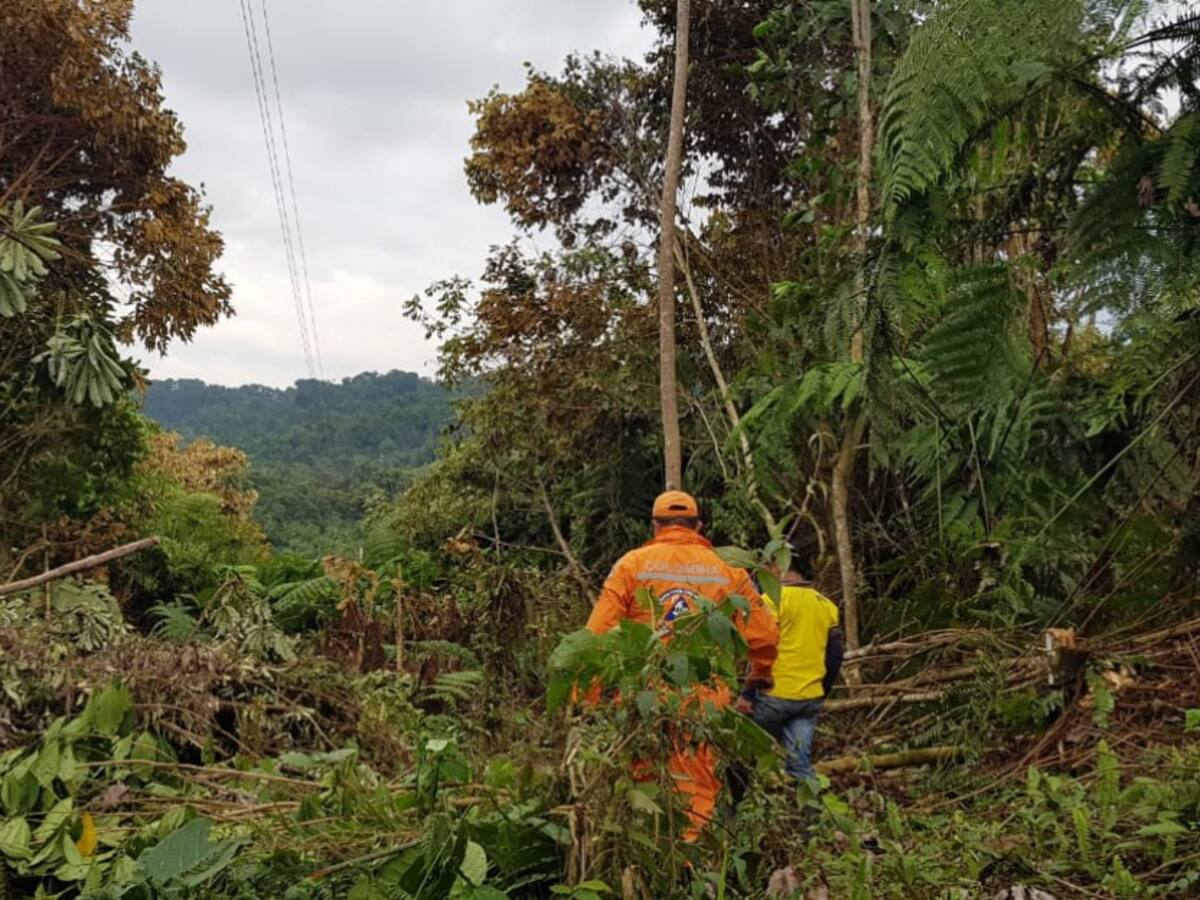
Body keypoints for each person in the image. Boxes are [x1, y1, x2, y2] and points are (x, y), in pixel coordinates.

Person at [585, 490, 779, 840]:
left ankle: (651, 864)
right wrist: (758, 678)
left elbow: (596, 635)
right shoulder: (728, 573)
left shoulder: (630, 565)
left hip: (643, 697)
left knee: (644, 782)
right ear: (699, 525)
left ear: (655, 525)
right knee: (697, 786)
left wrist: (591, 698)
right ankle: (689, 871)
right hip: (703, 700)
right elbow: (765, 637)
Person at [752, 565, 843, 782]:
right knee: (800, 765)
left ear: (779, 569)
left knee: (747, 753)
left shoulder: (772, 600)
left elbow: (761, 646)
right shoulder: (825, 604)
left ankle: (740, 806)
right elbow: (835, 655)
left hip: (774, 696)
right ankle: (813, 813)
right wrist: (822, 690)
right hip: (809, 699)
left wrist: (749, 690)